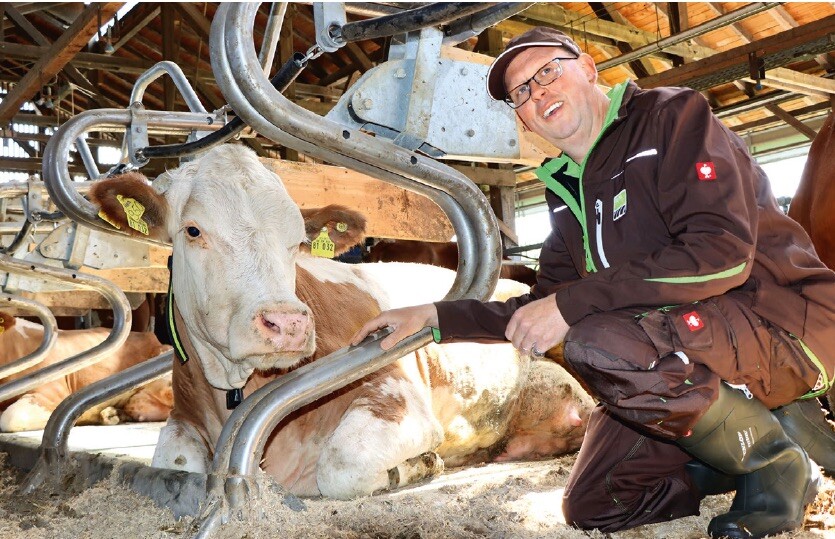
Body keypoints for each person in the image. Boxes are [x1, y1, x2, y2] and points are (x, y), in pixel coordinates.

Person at [351, 26, 835, 539]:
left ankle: (775, 464)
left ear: (587, 67)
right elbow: (541, 306)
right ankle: (756, 434)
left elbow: (721, 255)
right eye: (521, 92)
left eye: (546, 72)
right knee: (597, 504)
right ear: (521, 116)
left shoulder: (672, 119)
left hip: (780, 321)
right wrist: (434, 316)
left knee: (596, 342)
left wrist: (571, 305)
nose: (536, 93)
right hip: (688, 347)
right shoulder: (567, 192)